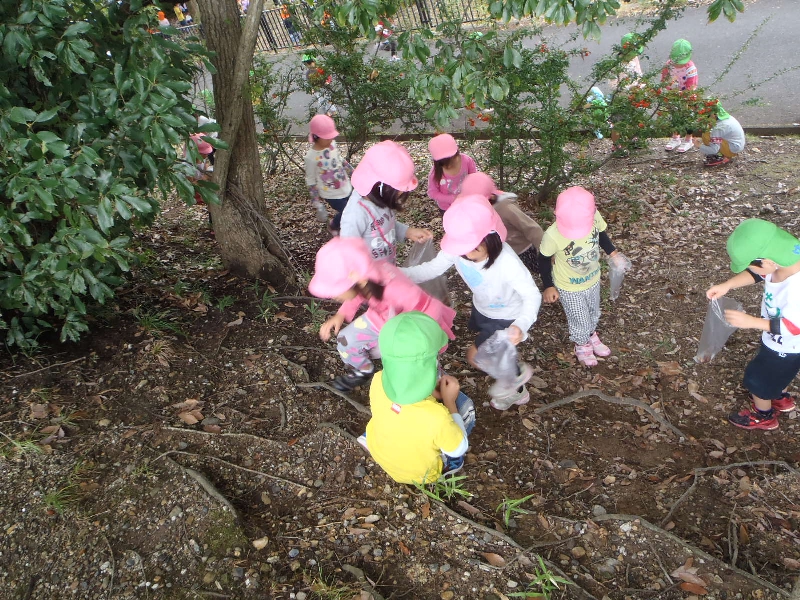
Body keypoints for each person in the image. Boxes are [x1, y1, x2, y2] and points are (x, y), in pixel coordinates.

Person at [402, 196, 541, 409]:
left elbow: (532, 295)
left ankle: (516, 387)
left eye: (474, 249)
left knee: (474, 356)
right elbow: (431, 269)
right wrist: (398, 273)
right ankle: (508, 366)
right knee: (490, 351)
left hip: (507, 316)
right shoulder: (458, 248)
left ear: (492, 238)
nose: (466, 253)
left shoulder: (507, 263)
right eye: (463, 248)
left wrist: (520, 325)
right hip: (483, 307)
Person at [308, 238, 456, 393]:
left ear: (359, 280)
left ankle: (431, 381)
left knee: (413, 360)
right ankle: (363, 369)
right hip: (383, 317)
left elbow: (422, 313)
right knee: (346, 339)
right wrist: (341, 314)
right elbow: (358, 293)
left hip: (414, 324)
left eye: (336, 291)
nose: (333, 297)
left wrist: (424, 342)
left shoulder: (397, 289)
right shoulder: (367, 280)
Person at [706, 219, 800, 431]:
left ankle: (764, 415)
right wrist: (727, 285)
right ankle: (779, 396)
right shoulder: (785, 259)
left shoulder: (796, 289)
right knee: (780, 373)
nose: (754, 271)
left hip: (786, 344)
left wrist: (752, 322)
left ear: (766, 261)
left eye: (751, 264)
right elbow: (757, 274)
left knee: (757, 379)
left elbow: (795, 327)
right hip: (785, 344)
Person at [362, 312, 475, 483]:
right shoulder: (437, 417)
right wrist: (449, 401)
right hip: (421, 475)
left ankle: (369, 437)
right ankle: (451, 465)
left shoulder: (377, 379)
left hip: (380, 451)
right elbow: (459, 448)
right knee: (465, 405)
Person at [538, 187, 625, 367]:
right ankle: (581, 344)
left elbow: (601, 235)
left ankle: (591, 334)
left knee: (593, 311)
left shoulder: (594, 217)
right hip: (568, 285)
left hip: (592, 278)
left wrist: (613, 253)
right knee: (579, 317)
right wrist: (548, 285)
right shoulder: (552, 235)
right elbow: (544, 259)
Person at [340, 140, 433, 264]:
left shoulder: (380, 200)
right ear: (381, 188)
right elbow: (347, 252)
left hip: (388, 269)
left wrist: (407, 231)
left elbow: (383, 223)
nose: (400, 195)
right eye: (398, 192)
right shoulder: (355, 214)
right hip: (369, 279)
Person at [458, 172, 543, 274]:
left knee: (539, 269)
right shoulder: (484, 208)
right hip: (506, 249)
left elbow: (532, 228)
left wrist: (546, 251)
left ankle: (551, 284)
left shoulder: (506, 208)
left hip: (523, 249)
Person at [304, 115, 353, 235]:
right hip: (331, 194)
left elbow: (340, 159)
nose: (331, 140)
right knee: (348, 211)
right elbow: (310, 180)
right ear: (316, 136)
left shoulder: (332, 145)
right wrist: (316, 201)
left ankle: (350, 225)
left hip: (345, 186)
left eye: (332, 137)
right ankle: (334, 225)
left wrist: (352, 171)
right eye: (327, 137)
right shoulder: (311, 157)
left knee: (354, 207)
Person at [662, 39, 699, 153]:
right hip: (673, 96)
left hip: (687, 98)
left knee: (688, 118)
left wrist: (683, 96)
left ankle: (688, 139)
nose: (678, 64)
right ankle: (676, 138)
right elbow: (664, 80)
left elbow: (691, 87)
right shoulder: (668, 66)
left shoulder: (690, 68)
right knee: (675, 117)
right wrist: (668, 90)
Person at [426, 134, 478, 213]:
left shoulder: (467, 161)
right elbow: (432, 193)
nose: (449, 166)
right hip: (447, 208)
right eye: (444, 164)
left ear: (456, 153)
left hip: (467, 203)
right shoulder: (435, 173)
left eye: (452, 161)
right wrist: (452, 198)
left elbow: (475, 179)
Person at [693, 102, 745, 167]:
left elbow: (714, 149)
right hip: (736, 146)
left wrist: (699, 146)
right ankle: (723, 154)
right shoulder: (727, 118)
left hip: (732, 149)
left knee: (706, 135)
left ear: (714, 115)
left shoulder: (718, 128)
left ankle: (720, 156)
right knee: (708, 134)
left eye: (707, 115)